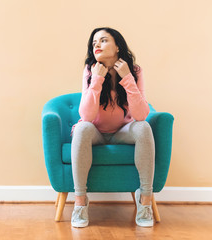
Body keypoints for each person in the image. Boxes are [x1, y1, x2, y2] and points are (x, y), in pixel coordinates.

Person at [70, 27, 155, 228]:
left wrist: (127, 79)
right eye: (94, 43)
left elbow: (141, 115)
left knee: (143, 127)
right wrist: (97, 80)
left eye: (103, 40)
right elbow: (86, 116)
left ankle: (145, 201)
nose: (96, 45)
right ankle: (80, 203)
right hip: (96, 132)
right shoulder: (90, 70)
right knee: (82, 128)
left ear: (117, 47)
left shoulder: (134, 71)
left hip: (122, 132)